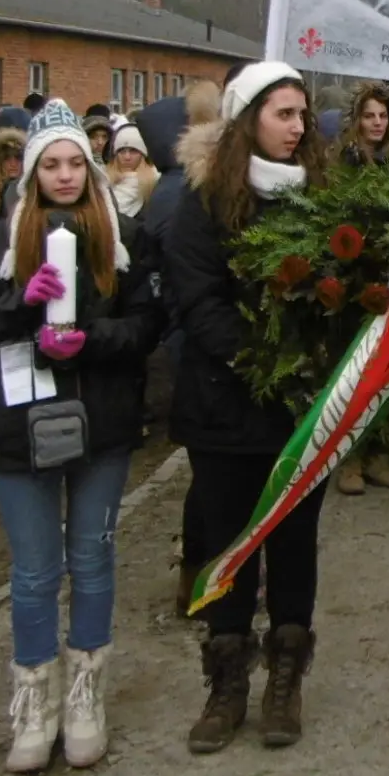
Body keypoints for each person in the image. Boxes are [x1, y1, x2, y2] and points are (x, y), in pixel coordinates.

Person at [0, 102, 160, 772]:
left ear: (90, 167)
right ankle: (33, 706)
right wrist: (19, 303)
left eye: (75, 163)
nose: (65, 176)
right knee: (35, 571)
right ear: (30, 173)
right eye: (52, 165)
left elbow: (147, 331)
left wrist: (87, 339)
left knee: (93, 560)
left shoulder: (121, 238)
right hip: (20, 431)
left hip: (100, 427)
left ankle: (84, 694)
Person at [167, 63, 329, 754]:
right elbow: (198, 302)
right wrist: (263, 361)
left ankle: (284, 685)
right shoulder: (202, 203)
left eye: (301, 115)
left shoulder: (319, 199)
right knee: (230, 546)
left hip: (299, 412)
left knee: (293, 546)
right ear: (247, 121)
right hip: (223, 409)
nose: (298, 128)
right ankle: (226, 682)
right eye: (283, 114)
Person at [139, 82, 220, 616]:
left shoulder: (165, 190)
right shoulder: (190, 193)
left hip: (188, 338)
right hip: (198, 345)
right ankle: (203, 581)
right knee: (213, 483)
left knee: (209, 481)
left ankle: (201, 577)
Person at [331, 81, 389, 495]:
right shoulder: (343, 160)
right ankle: (350, 458)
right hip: (355, 279)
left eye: (383, 116)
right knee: (356, 370)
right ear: (357, 119)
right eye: (369, 116)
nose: (377, 123)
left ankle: (383, 453)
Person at [106, 122, 159, 220]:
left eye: (133, 151)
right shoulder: (103, 183)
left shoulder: (155, 184)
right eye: (122, 151)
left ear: (143, 154)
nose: (127, 157)